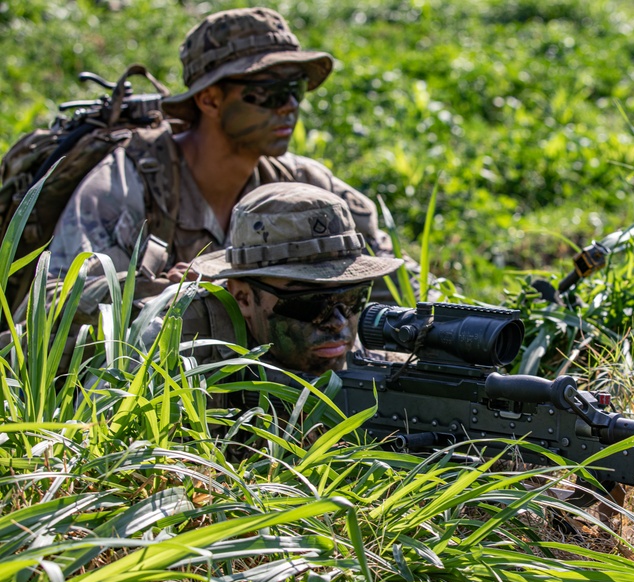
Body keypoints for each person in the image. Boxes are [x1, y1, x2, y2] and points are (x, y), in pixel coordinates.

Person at [46, 7, 395, 318]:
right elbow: (54, 307)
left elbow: (388, 280)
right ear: (210, 100)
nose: (290, 106)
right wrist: (187, 298)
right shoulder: (126, 184)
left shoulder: (301, 182)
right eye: (269, 92)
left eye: (297, 88)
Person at [163, 183, 403, 376]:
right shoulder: (179, 342)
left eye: (353, 297)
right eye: (308, 302)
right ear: (243, 298)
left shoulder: (373, 356)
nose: (337, 322)